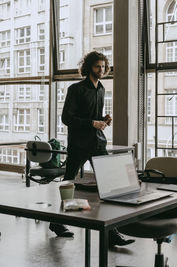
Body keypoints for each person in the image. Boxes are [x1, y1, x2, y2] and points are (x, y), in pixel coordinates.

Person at [48, 51, 134, 247]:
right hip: (79, 145)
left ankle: (112, 233)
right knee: (68, 185)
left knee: (108, 186)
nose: (101, 70)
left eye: (104, 67)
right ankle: (57, 223)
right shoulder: (75, 89)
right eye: (97, 66)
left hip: (97, 143)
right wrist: (92, 123)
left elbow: (94, 118)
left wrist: (104, 120)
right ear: (88, 68)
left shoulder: (101, 89)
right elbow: (67, 119)